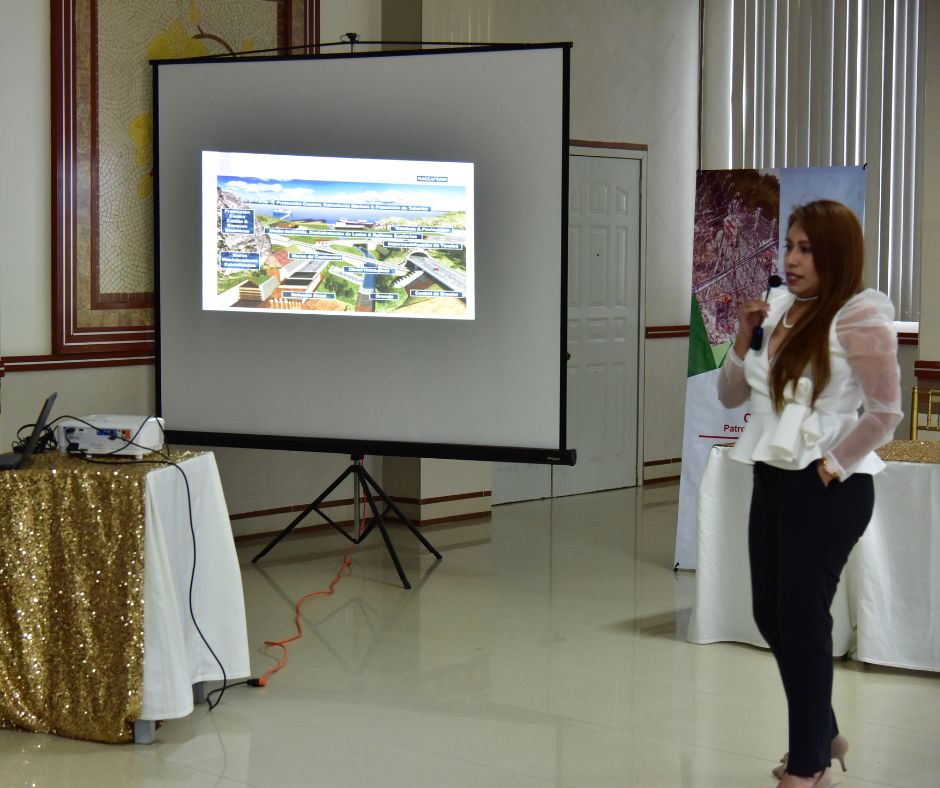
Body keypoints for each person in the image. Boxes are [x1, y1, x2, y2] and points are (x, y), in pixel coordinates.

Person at [717, 200, 903, 788]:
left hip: (828, 488)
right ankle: (824, 732)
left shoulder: (858, 317)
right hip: (769, 476)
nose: (791, 259)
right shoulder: (774, 308)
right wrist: (743, 335)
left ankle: (808, 763)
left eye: (806, 249)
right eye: (790, 246)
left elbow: (886, 412)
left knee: (802, 621)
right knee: (769, 612)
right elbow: (729, 395)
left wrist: (832, 465)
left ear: (836, 255)